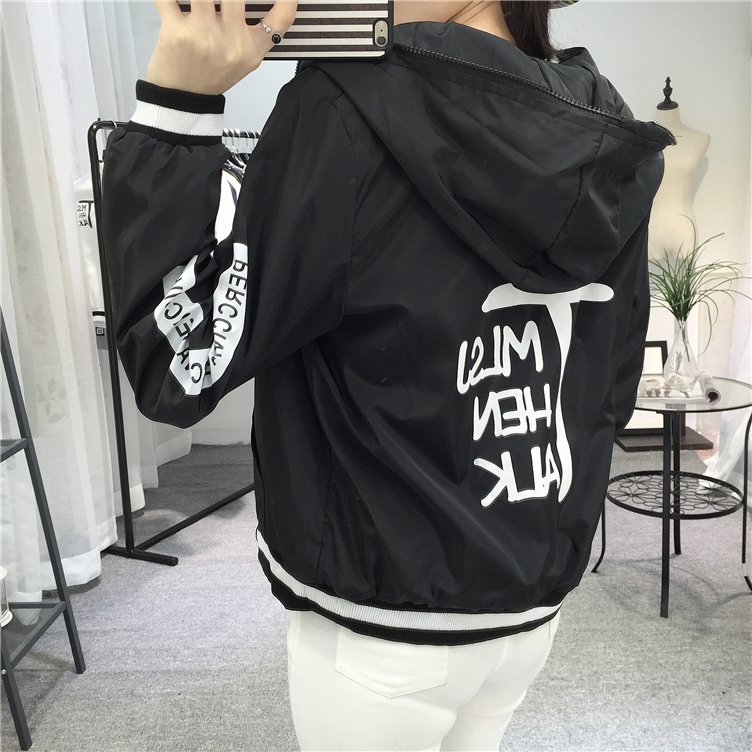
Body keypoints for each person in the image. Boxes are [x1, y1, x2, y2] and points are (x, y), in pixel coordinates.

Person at [100, 1, 676, 749]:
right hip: (529, 602)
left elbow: (177, 361)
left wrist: (176, 101)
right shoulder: (600, 124)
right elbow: (613, 379)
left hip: (382, 617)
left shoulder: (341, 108)